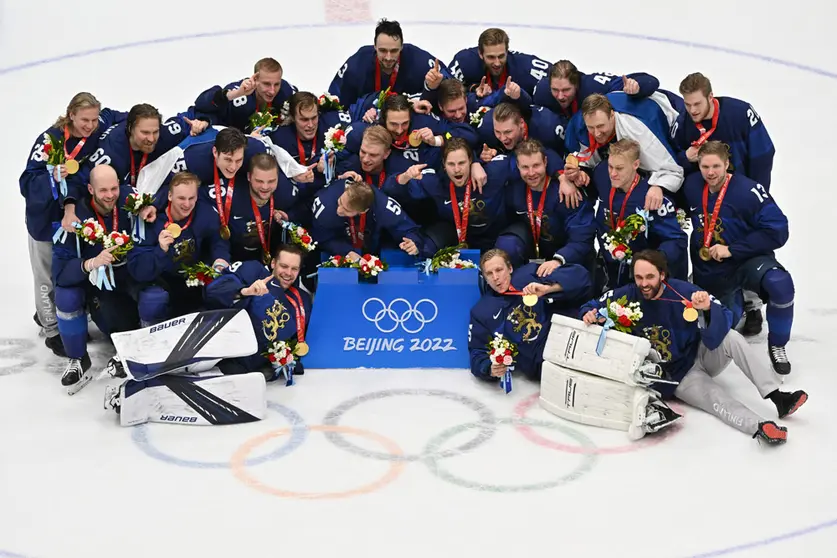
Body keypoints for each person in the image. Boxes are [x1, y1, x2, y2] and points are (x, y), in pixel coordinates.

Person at [579, 249, 806, 445]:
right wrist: (588, 314)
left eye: (649, 276)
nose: (644, 283)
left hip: (701, 353)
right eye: (639, 277)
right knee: (715, 398)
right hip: (678, 376)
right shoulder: (626, 295)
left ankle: (778, 397)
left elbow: (723, 320)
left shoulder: (683, 291)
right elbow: (591, 305)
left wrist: (706, 309)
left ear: (662, 275)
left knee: (733, 337)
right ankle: (759, 426)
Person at [20, 92, 125, 356]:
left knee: (69, 272)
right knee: (47, 278)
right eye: (84, 120)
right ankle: (52, 330)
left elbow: (127, 118)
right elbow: (26, 184)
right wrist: (51, 176)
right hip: (45, 220)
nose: (90, 126)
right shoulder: (50, 141)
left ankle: (57, 314)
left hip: (75, 216)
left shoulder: (100, 121)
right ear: (71, 115)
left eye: (93, 120)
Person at [682, 141, 794, 374]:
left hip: (745, 261)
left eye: (716, 166)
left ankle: (778, 345)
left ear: (727, 165)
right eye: (704, 166)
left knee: (781, 285)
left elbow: (778, 230)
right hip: (711, 272)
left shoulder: (748, 191)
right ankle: (744, 307)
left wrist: (733, 249)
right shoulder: (691, 186)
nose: (710, 173)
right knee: (720, 332)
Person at [52, 165, 139, 388]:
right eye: (103, 190)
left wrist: (149, 209)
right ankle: (78, 357)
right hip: (94, 283)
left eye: (114, 188)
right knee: (66, 297)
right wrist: (90, 263)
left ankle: (142, 347)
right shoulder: (75, 219)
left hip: (127, 275)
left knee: (154, 296)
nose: (110, 195)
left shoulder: (131, 201)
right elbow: (60, 273)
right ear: (90, 189)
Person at [468, 248, 592, 382]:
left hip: (570, 339)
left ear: (510, 268)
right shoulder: (481, 311)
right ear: (485, 278)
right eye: (489, 274)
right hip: (544, 368)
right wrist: (489, 368)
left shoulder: (530, 273)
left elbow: (582, 278)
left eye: (499, 270)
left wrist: (548, 289)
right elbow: (477, 354)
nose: (495, 277)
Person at [127, 172, 230, 326]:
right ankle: (152, 339)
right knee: (152, 299)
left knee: (223, 285)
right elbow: (138, 270)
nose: (187, 204)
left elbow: (218, 241)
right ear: (169, 196)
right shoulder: (149, 221)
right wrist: (160, 250)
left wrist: (220, 259)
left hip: (192, 279)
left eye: (191, 198)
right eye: (181, 198)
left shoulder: (205, 213)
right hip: (161, 280)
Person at [590, 139, 687, 289]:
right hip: (611, 266)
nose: (613, 174)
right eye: (610, 166)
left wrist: (655, 261)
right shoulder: (601, 174)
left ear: (636, 165)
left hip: (643, 276)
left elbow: (677, 240)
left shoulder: (652, 198)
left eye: (620, 168)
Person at [205, 243, 312, 379]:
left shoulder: (302, 299)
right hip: (226, 361)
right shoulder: (253, 270)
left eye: (294, 269)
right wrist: (244, 291)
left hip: (264, 373)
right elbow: (212, 291)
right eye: (284, 266)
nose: (288, 273)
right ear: (273, 263)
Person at [563, 93, 683, 211]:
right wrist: (581, 173)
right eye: (591, 127)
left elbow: (674, 170)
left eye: (601, 126)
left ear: (612, 115)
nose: (597, 133)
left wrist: (658, 186)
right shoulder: (581, 129)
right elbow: (586, 162)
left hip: (669, 113)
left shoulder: (638, 132)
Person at [500, 139, 596, 269]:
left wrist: (559, 260)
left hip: (566, 260)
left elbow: (582, 237)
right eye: (525, 167)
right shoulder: (515, 190)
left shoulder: (567, 194)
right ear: (517, 166)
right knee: (507, 244)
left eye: (536, 165)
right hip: (534, 257)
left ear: (545, 162)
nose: (531, 173)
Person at [674, 72, 775, 189]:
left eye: (697, 104)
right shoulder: (682, 124)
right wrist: (686, 157)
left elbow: (763, 155)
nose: (692, 110)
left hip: (744, 190)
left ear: (710, 97)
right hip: (709, 199)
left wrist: (756, 193)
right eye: (687, 104)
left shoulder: (741, 113)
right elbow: (671, 163)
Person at [328, 19, 451, 108]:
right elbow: (335, 103)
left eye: (394, 51)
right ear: (375, 46)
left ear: (402, 47)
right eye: (382, 51)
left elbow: (450, 83)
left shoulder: (418, 60)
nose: (388, 57)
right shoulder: (356, 66)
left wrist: (435, 84)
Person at [309, 177, 431, 261]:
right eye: (340, 202)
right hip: (340, 243)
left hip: (373, 246)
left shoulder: (384, 208)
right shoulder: (326, 202)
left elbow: (409, 229)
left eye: (347, 210)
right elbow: (321, 237)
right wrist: (346, 251)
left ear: (363, 211)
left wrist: (413, 242)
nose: (339, 210)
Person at [447, 28, 550, 106]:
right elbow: (445, 92)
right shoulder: (464, 62)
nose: (497, 63)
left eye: (501, 56)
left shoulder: (526, 67)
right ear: (480, 54)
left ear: (507, 51)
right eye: (491, 57)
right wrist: (473, 88)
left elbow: (560, 76)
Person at [194, 57, 296, 133]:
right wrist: (237, 93)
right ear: (255, 79)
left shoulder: (286, 92)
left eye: (277, 84)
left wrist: (294, 116)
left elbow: (307, 106)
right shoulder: (240, 96)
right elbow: (201, 104)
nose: (272, 91)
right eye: (266, 84)